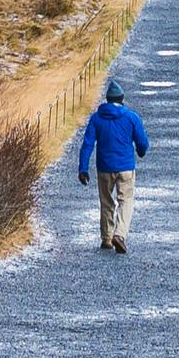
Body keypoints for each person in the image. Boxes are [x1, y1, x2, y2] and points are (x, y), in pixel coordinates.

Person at [73, 79, 151, 253]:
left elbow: (87, 144)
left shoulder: (96, 118)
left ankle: (107, 238)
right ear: (122, 99)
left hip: (104, 168)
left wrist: (83, 169)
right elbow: (142, 142)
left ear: (107, 99)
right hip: (125, 168)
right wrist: (141, 151)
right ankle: (120, 234)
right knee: (126, 201)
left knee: (106, 202)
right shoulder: (131, 117)